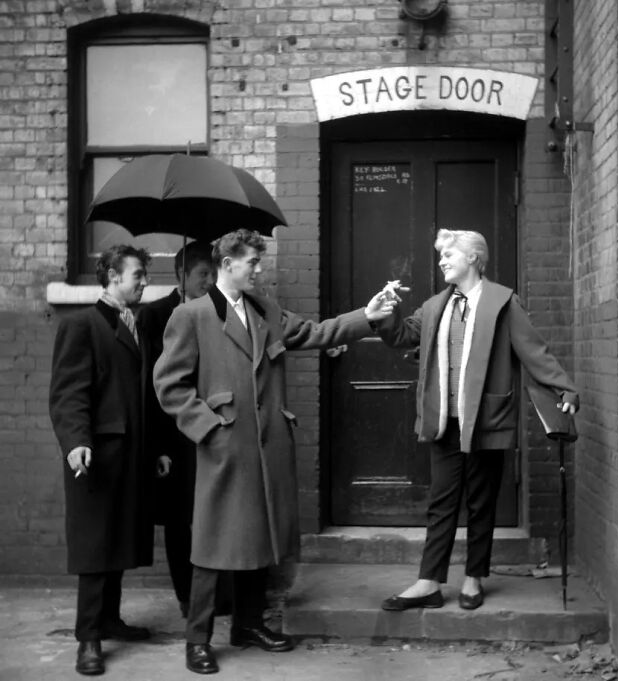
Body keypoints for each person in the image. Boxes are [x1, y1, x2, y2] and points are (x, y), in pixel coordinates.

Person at [153, 229, 396, 675]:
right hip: (224, 447)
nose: (259, 270)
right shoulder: (191, 316)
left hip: (268, 446)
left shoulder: (264, 308)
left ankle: (248, 626)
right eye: (252, 263)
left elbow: (317, 332)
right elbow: (169, 386)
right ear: (227, 264)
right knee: (212, 546)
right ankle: (197, 640)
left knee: (257, 539)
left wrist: (368, 314)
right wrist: (209, 428)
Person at [372, 229, 579, 612]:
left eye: (449, 254)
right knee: (442, 502)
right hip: (444, 421)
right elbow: (403, 335)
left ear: (472, 257)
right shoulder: (436, 305)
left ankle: (473, 578)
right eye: (440, 256)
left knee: (482, 502)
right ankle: (429, 581)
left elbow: (534, 352)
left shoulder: (503, 302)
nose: (441, 261)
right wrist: (386, 313)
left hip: (486, 419)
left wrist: (564, 388)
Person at [49, 245, 169, 676]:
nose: (144, 282)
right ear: (113, 277)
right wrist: (75, 442)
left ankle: (110, 619)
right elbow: (68, 393)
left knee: (118, 540)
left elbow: (144, 396)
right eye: (137, 274)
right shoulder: (82, 324)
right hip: (96, 456)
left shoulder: (136, 325)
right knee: (96, 547)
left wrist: (155, 450)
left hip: (132, 454)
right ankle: (88, 639)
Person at [138, 240, 216, 617]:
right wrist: (158, 447)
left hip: (209, 431)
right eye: (202, 274)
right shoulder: (154, 316)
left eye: (213, 274)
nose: (209, 280)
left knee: (210, 514)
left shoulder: (216, 311)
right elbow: (151, 386)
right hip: (172, 435)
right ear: (182, 275)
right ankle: (187, 598)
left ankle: (217, 597)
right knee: (178, 518)